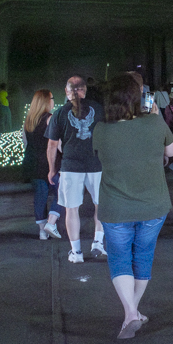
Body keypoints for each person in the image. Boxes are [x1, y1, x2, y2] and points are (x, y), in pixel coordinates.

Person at [93, 74, 173, 340]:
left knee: (119, 258)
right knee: (143, 256)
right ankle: (133, 311)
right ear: (137, 98)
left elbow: (101, 155)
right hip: (153, 206)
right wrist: (154, 118)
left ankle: (130, 312)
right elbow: (172, 152)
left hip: (115, 207)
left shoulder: (101, 130)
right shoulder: (154, 123)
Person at [47, 75, 106, 263]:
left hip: (71, 166)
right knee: (101, 205)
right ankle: (97, 243)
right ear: (84, 90)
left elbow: (52, 145)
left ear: (67, 91)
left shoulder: (59, 113)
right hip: (96, 164)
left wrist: (51, 169)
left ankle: (76, 252)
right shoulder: (98, 109)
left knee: (72, 210)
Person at [23, 89, 64, 240]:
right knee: (61, 192)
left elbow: (25, 142)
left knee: (40, 195)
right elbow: (57, 143)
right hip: (49, 161)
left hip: (33, 161)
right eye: (52, 98)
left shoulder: (29, 120)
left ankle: (42, 231)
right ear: (47, 101)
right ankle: (51, 222)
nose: (53, 100)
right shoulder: (50, 118)